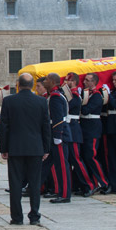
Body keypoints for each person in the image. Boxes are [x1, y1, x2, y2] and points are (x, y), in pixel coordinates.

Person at [0, 73, 50, 225]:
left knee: (15, 183)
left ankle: (17, 217)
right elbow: (45, 126)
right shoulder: (41, 101)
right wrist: (46, 148)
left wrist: (4, 147)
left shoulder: (9, 101)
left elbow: (4, 126)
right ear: (33, 85)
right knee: (34, 183)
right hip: (35, 148)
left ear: (18, 85)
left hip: (15, 147)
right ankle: (34, 216)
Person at [40, 73, 72, 203]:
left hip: (58, 135)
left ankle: (64, 194)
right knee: (48, 164)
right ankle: (36, 188)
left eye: (47, 80)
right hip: (55, 134)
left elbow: (58, 119)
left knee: (62, 166)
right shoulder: (54, 95)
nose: (45, 82)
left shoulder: (55, 97)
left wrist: (57, 136)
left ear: (52, 81)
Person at [63, 72, 95, 197]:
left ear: (74, 82)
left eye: (68, 80)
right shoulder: (69, 95)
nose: (65, 83)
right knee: (70, 160)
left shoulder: (75, 95)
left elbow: (68, 107)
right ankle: (74, 185)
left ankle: (89, 185)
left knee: (76, 160)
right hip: (69, 129)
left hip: (74, 130)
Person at [79, 73, 110, 194]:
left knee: (90, 156)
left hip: (92, 129)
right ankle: (92, 183)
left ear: (94, 82)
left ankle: (104, 182)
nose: (85, 82)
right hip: (85, 129)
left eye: (87, 80)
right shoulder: (87, 95)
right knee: (85, 157)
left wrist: (79, 103)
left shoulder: (97, 95)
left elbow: (86, 110)